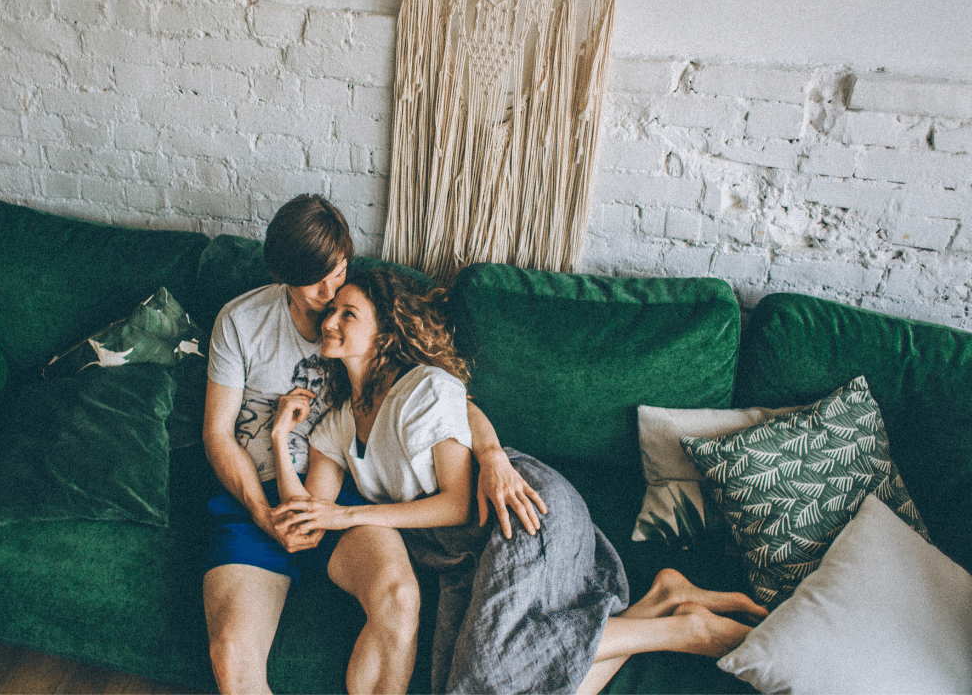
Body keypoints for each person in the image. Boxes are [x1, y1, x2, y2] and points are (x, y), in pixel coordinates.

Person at [269, 267, 769, 694]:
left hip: (518, 508)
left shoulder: (422, 388)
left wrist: (349, 515)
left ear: (385, 331)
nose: (329, 321)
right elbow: (309, 520)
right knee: (484, 680)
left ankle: (686, 630)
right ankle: (661, 600)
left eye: (348, 313)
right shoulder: (337, 420)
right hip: (467, 550)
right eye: (329, 309)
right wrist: (278, 436)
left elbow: (456, 504)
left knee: (490, 675)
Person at [201, 194, 546, 695]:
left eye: (338, 271)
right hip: (254, 497)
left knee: (400, 597)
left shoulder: (363, 316)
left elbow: (443, 394)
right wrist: (261, 511)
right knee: (232, 655)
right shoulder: (240, 322)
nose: (329, 292)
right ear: (282, 276)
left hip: (344, 495)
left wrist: (491, 454)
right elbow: (216, 434)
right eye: (315, 280)